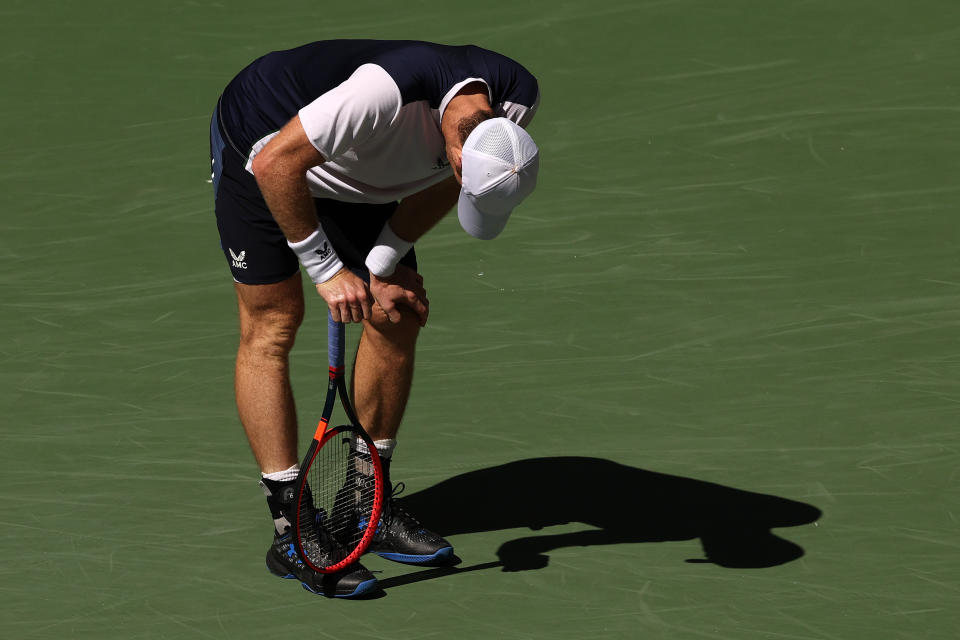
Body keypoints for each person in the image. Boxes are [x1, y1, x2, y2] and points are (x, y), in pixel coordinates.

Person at [209, 40, 540, 598]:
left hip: (355, 166)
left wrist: (382, 261)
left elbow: (442, 182)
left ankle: (364, 504)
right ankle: (292, 532)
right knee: (274, 322)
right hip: (267, 148)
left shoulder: (515, 103)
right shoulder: (382, 97)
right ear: (457, 150)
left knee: (397, 311)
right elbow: (275, 163)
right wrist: (325, 268)